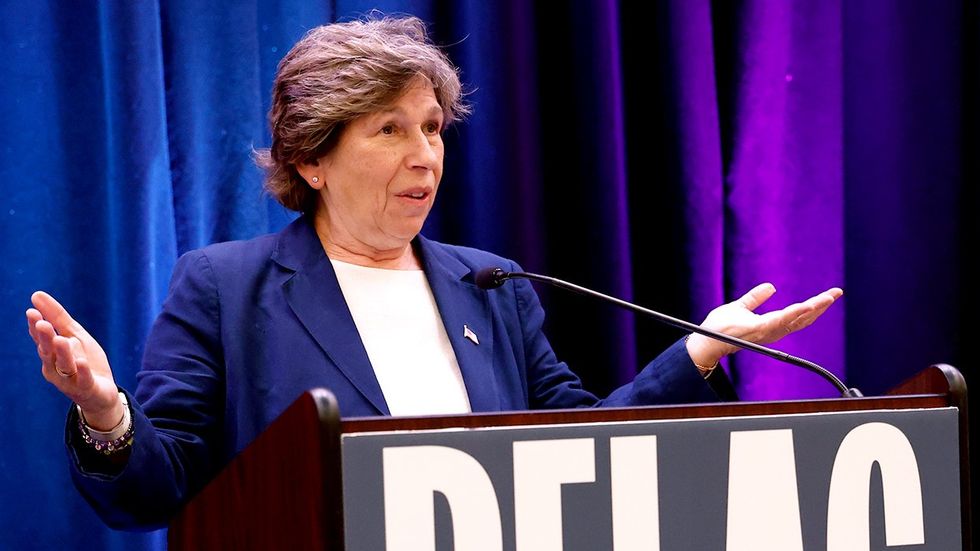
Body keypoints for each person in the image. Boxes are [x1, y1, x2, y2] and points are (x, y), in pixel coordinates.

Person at [25, 16, 842, 529]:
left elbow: (581, 448)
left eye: (432, 128)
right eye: (389, 130)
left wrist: (702, 350)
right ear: (312, 157)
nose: (425, 155)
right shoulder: (225, 286)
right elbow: (157, 490)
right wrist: (105, 412)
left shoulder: (489, 280)